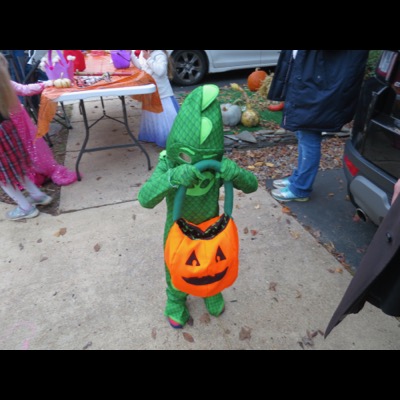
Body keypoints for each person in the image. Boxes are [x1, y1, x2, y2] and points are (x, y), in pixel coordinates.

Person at [138, 84, 258, 329]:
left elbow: (252, 185)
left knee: (213, 263)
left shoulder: (218, 165)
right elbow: (145, 199)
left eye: (207, 160)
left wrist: (235, 173)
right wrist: (171, 178)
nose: (200, 167)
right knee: (175, 267)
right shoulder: (168, 165)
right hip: (177, 230)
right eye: (190, 158)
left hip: (211, 229)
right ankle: (175, 299)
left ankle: (210, 290)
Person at [268, 50, 370, 202]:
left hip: (319, 85)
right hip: (311, 80)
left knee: (309, 136)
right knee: (303, 133)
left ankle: (301, 188)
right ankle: (298, 178)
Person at [0, 53, 54, 221]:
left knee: (4, 178)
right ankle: (38, 195)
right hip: (8, 131)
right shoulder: (5, 83)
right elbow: (25, 89)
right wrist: (48, 83)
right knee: (19, 168)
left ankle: (25, 207)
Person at [131, 50, 179, 148]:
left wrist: (148, 58)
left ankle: (169, 138)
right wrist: (131, 55)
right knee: (153, 118)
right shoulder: (143, 53)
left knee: (165, 120)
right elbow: (141, 67)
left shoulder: (159, 54)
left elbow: (161, 71)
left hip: (162, 95)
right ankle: (155, 135)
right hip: (151, 94)